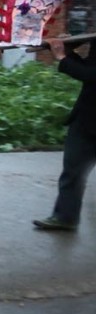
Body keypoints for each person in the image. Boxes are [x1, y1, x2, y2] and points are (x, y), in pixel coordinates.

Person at [33, 37, 96, 231]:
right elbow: (89, 66)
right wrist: (68, 51)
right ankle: (65, 217)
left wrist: (62, 57)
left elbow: (91, 74)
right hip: (87, 118)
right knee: (73, 170)